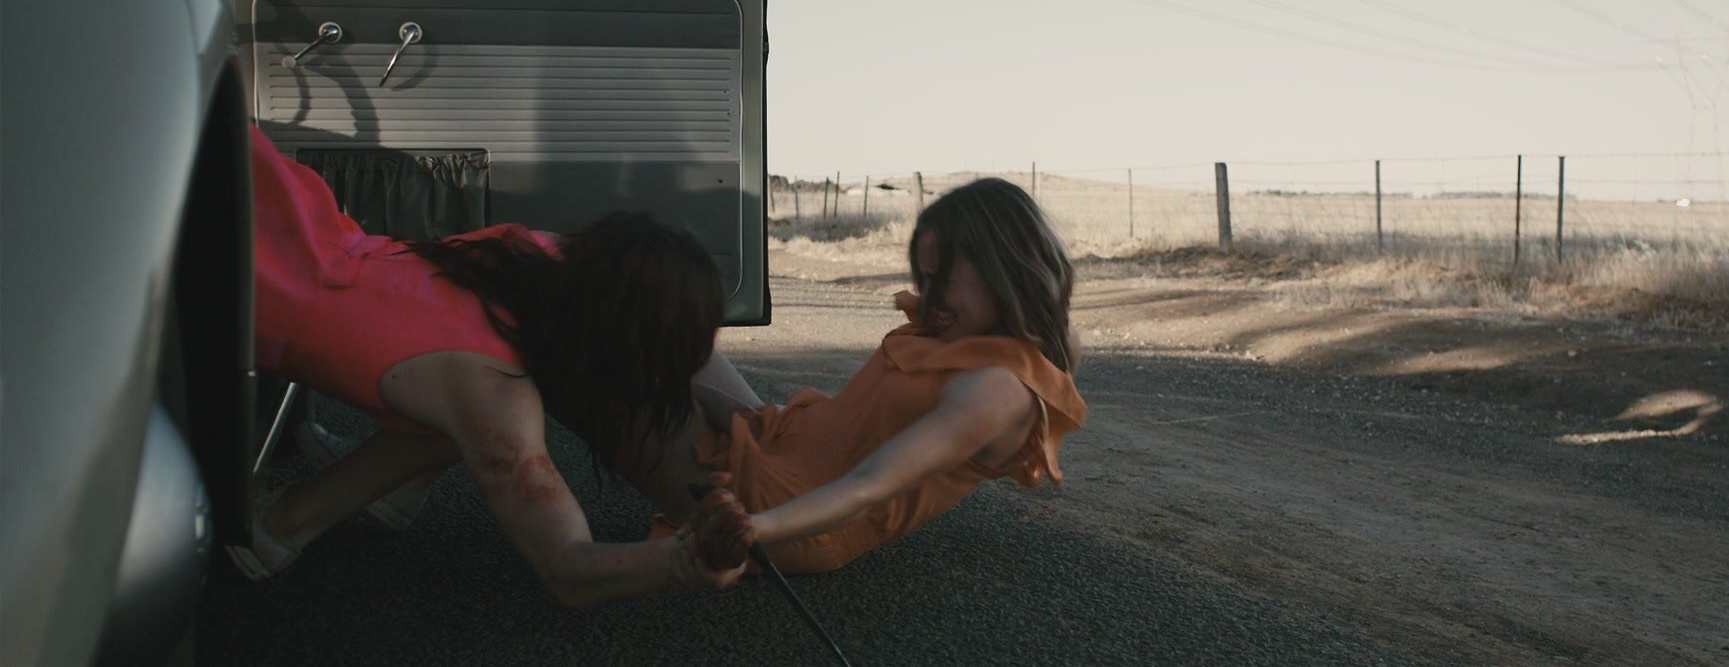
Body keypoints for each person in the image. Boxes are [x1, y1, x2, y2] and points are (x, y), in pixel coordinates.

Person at [234, 125, 752, 606]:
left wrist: (710, 397)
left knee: (455, 411)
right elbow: (568, 566)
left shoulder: (529, 254)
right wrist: (679, 559)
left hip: (298, 228)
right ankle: (280, 528)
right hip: (252, 275)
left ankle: (394, 489)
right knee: (466, 413)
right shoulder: (494, 394)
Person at [640, 177, 1089, 575]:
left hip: (793, 511)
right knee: (659, 331)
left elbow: (867, 485)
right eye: (925, 279)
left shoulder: (996, 391)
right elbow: (1058, 331)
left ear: (1003, 267)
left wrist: (751, 528)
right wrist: (741, 414)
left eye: (944, 279)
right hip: (783, 439)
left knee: (624, 391)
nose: (930, 299)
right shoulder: (980, 329)